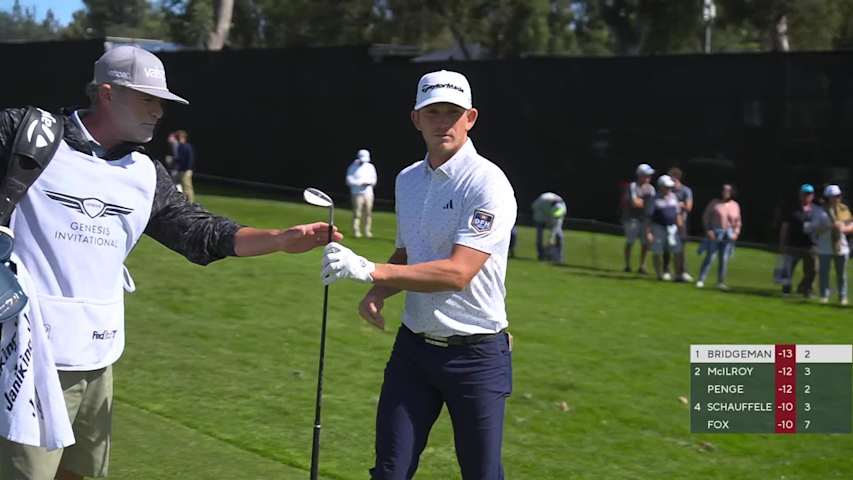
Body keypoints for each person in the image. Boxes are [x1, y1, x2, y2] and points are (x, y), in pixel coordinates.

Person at [0, 45, 340, 480]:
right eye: (148, 98)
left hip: (99, 353)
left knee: (77, 473)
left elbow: (198, 231)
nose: (159, 111)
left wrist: (278, 239)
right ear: (106, 93)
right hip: (27, 357)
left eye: (161, 101)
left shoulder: (144, 173)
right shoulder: (26, 133)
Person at [320, 70, 516, 479]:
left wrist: (371, 269)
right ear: (416, 119)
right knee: (389, 472)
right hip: (413, 350)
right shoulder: (408, 180)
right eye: (433, 112)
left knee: (482, 474)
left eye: (452, 112)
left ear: (471, 118)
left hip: (476, 354)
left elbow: (458, 271)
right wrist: (379, 289)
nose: (442, 121)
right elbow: (410, 252)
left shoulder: (488, 183)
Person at [805, 185, 852, 305]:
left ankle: (842, 297)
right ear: (828, 197)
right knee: (824, 273)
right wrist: (827, 227)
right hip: (825, 247)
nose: (836, 198)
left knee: (841, 274)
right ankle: (824, 296)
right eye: (833, 196)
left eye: (837, 196)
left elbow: (851, 225)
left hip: (841, 247)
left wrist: (843, 229)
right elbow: (812, 228)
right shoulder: (821, 211)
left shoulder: (844, 209)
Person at [696, 184, 742, 290]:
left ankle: (720, 282)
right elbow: (706, 217)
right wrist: (708, 230)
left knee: (724, 259)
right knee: (710, 257)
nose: (725, 193)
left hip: (728, 235)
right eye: (724, 190)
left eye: (728, 191)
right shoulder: (714, 203)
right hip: (715, 233)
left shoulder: (735, 205)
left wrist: (736, 233)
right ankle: (701, 279)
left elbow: (738, 221)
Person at [778, 184, 817, 297]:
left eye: (809, 194)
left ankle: (806, 289)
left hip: (810, 245)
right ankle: (786, 289)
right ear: (800, 195)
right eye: (804, 194)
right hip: (793, 244)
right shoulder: (792, 209)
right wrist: (782, 243)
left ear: (812, 196)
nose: (806, 196)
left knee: (813, 269)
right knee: (788, 268)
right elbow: (785, 226)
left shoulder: (816, 210)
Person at [646, 175, 682, 281]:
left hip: (672, 228)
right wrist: (648, 233)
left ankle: (677, 275)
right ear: (661, 186)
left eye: (670, 187)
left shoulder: (673, 197)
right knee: (657, 251)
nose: (669, 189)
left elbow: (677, 213)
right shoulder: (654, 199)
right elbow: (649, 217)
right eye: (667, 187)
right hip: (658, 228)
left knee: (676, 250)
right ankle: (659, 274)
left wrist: (680, 228)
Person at [623, 163, 655, 274]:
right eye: (646, 175)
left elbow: (651, 205)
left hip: (645, 219)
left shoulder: (651, 189)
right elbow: (634, 203)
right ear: (640, 175)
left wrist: (642, 202)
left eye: (649, 176)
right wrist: (644, 202)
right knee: (630, 241)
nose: (648, 178)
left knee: (645, 243)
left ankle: (642, 266)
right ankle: (627, 265)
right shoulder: (632, 186)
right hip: (631, 218)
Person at [666, 167, 693, 282]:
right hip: (669, 222)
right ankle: (667, 270)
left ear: (677, 179)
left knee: (681, 249)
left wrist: (678, 204)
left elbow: (689, 207)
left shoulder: (686, 191)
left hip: (682, 224)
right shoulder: (668, 191)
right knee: (668, 247)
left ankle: (683, 271)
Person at [345, 148, 378, 238]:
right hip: (356, 193)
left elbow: (374, 179)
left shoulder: (370, 167)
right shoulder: (352, 167)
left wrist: (369, 183)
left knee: (368, 213)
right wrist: (360, 184)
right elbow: (349, 180)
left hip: (368, 193)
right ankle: (356, 230)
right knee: (357, 213)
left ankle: (367, 231)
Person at [531, 192, 567, 262]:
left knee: (559, 236)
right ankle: (541, 255)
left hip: (549, 215)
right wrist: (543, 216)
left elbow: (556, 226)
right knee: (539, 236)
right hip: (541, 215)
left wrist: (551, 239)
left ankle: (559, 257)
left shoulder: (562, 209)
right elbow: (534, 206)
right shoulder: (542, 200)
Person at [174, 129, 195, 202]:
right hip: (181, 169)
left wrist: (187, 169)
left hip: (186, 170)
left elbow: (190, 158)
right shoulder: (180, 146)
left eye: (179, 137)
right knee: (183, 186)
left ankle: (190, 202)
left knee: (187, 187)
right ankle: (186, 201)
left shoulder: (187, 146)